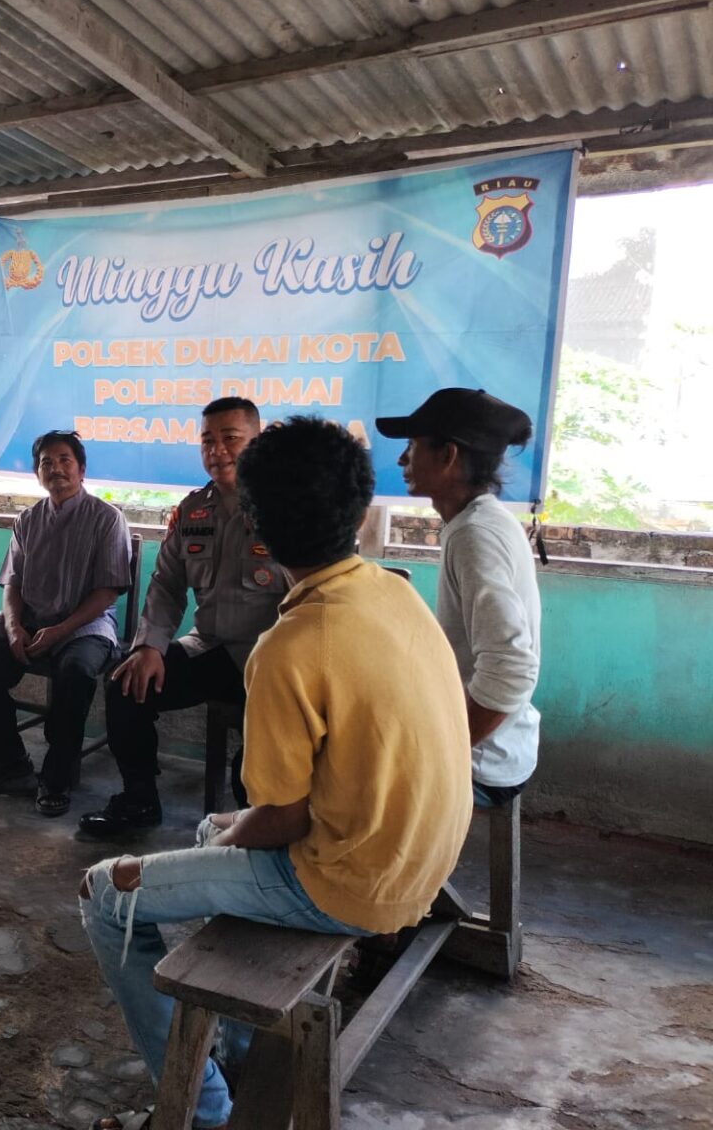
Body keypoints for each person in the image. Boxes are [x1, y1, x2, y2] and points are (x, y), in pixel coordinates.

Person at [79, 417, 472, 1130]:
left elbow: (283, 819)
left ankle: (200, 1112)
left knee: (107, 895)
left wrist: (229, 837)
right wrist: (225, 833)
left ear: (258, 519)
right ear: (357, 511)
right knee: (210, 825)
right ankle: (224, 1049)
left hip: (349, 883)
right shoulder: (394, 591)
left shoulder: (290, 647)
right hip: (425, 860)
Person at [79, 398, 287, 837]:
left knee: (255, 767)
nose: (218, 450)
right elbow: (167, 586)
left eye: (230, 438)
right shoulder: (194, 512)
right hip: (211, 647)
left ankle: (257, 838)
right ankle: (139, 802)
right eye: (207, 440)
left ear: (259, 441)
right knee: (125, 682)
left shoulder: (288, 511)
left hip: (274, 662)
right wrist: (149, 646)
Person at [376, 388, 542, 806]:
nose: (402, 460)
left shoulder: (475, 535)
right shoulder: (476, 522)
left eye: (412, 447)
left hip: (480, 763)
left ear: (448, 455)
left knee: (317, 775)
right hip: (491, 745)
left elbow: (511, 666)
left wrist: (443, 748)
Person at [0, 429, 132, 816]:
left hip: (85, 625)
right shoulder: (28, 520)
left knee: (77, 671)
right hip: (31, 619)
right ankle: (5, 764)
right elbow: (12, 582)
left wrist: (62, 630)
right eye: (46, 463)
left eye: (64, 460)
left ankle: (56, 777)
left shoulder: (107, 519)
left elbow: (108, 592)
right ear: (37, 474)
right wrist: (15, 627)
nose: (55, 469)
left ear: (81, 469)